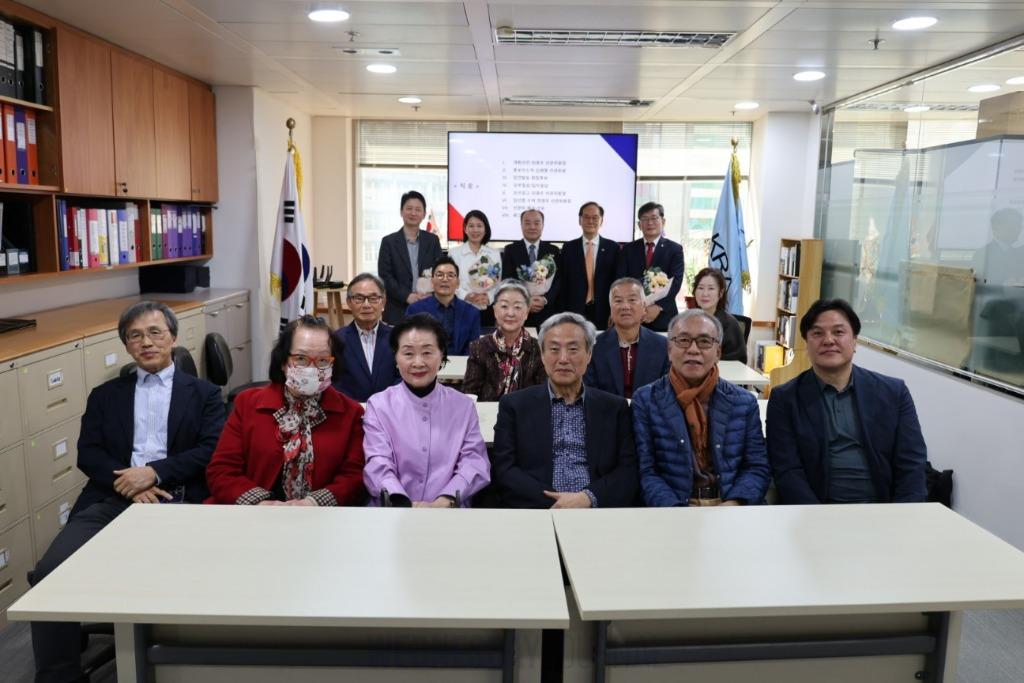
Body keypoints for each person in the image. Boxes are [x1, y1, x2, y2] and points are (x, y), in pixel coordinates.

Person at [29, 301, 225, 683]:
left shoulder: (204, 394)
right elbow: (89, 453)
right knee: (50, 572)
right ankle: (59, 675)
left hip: (178, 496)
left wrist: (153, 473)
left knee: (185, 575)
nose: (146, 342)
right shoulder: (105, 395)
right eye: (135, 336)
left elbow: (210, 450)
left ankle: (182, 662)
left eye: (154, 332)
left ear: (172, 337)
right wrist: (129, 484)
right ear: (126, 345)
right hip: (113, 496)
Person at [766, 298, 928, 504]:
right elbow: (787, 470)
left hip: (883, 509)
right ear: (806, 344)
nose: (828, 340)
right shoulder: (785, 399)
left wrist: (903, 514)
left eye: (838, 332)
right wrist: (817, 516)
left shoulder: (894, 393)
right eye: (817, 333)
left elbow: (912, 464)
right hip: (816, 512)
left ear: (855, 341)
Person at [206, 315, 366, 506]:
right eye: (301, 358)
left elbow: (354, 477)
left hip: (321, 516)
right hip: (254, 514)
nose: (311, 368)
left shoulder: (351, 413)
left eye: (323, 360)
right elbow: (222, 471)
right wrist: (261, 503)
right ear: (283, 362)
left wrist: (313, 503)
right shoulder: (247, 404)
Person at [491, 312, 638, 509]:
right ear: (542, 355)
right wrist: (558, 502)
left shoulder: (615, 408)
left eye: (573, 349)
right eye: (554, 349)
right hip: (536, 509)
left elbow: (628, 470)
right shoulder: (514, 406)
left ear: (589, 355)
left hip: (597, 510)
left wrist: (587, 498)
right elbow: (504, 469)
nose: (563, 359)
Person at [632, 309, 770, 507]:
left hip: (733, 504)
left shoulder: (744, 402)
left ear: (718, 352)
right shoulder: (646, 400)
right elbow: (646, 471)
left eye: (704, 341)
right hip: (673, 507)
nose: (693, 349)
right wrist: (677, 510)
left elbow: (757, 467)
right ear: (669, 350)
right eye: (683, 340)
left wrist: (735, 503)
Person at [363, 314, 491, 507]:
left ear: (442, 355)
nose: (418, 362)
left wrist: (446, 500)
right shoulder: (379, 405)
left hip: (449, 510)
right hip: (393, 509)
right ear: (396, 357)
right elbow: (378, 462)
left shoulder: (463, 406)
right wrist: (401, 501)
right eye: (408, 353)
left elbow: (474, 462)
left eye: (427, 352)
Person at [584, 277, 669, 399]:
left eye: (632, 300)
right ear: (611, 308)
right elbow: (590, 393)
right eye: (618, 301)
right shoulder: (594, 347)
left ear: (644, 307)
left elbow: (666, 393)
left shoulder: (662, 346)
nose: (625, 306)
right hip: (607, 410)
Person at [463, 279, 547, 401]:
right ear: (495, 311)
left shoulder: (538, 349)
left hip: (525, 412)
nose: (510, 313)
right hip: (488, 413)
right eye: (504, 306)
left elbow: (544, 396)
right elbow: (469, 395)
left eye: (517, 307)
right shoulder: (479, 347)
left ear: (527, 312)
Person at [617, 201, 685, 331]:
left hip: (664, 316)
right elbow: (621, 281)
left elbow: (676, 282)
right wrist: (638, 306)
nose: (650, 223)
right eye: (645, 219)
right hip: (633, 316)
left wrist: (658, 306)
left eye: (654, 218)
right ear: (639, 225)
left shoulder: (675, 249)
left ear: (663, 221)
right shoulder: (627, 249)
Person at [378, 190, 443, 324]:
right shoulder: (388, 242)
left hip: (428, 306)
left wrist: (430, 293)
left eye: (418, 209)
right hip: (397, 309)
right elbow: (385, 276)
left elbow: (440, 271)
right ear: (401, 212)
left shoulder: (433, 241)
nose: (413, 213)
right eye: (409, 208)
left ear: (424, 214)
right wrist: (407, 296)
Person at [333, 272, 400, 402]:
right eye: (359, 298)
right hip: (352, 409)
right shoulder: (337, 340)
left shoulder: (397, 337)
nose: (366, 305)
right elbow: (334, 381)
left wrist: (387, 403)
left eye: (373, 298)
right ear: (349, 302)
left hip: (391, 407)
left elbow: (404, 375)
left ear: (383, 302)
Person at [559, 201, 619, 330]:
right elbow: (563, 283)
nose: (590, 221)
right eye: (586, 217)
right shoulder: (568, 248)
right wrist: (563, 314)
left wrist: (615, 310)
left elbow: (617, 283)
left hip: (604, 311)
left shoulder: (613, 248)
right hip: (574, 311)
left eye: (595, 217)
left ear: (601, 221)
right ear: (580, 220)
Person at [406, 255, 482, 355]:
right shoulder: (415, 310)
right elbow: (410, 345)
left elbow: (472, 348)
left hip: (461, 363)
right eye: (440, 275)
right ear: (432, 282)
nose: (445, 279)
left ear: (458, 283)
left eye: (450, 275)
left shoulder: (472, 313)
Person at [500, 208, 562, 328]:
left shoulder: (553, 250)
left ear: (543, 225)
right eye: (527, 223)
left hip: (547, 312)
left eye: (536, 223)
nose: (532, 227)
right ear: (521, 225)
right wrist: (525, 300)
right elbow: (507, 280)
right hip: (519, 312)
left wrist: (545, 300)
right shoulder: (511, 250)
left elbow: (558, 281)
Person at [449, 209, 501, 329]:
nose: (475, 230)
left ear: (485, 229)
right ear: (465, 229)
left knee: (486, 339)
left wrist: (488, 297)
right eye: (471, 226)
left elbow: (498, 282)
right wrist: (466, 295)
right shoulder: (454, 253)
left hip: (487, 308)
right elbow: (451, 282)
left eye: (479, 226)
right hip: (461, 307)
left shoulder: (494, 254)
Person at [692, 267, 748, 363]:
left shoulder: (730, 325)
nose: (705, 293)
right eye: (700, 288)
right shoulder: (689, 321)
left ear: (721, 293)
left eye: (711, 288)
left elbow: (738, 362)